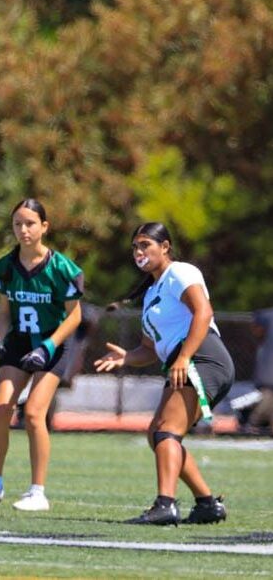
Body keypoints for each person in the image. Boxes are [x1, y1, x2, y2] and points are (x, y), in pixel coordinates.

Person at [95, 222, 234, 526]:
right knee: (157, 435)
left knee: (166, 431)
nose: (139, 251)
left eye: (145, 244)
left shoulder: (180, 272)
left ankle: (165, 505)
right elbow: (149, 349)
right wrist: (127, 357)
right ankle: (207, 503)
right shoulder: (150, 294)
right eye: (135, 247)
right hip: (182, 359)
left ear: (166, 247)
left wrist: (184, 357)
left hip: (202, 356)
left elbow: (204, 312)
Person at [0, 198, 83, 511]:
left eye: (30, 223)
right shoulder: (7, 267)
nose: (23, 230)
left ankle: (37, 492)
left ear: (44, 226)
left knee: (34, 412)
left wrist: (47, 347)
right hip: (19, 340)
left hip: (53, 343)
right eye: (18, 224)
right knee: (1, 408)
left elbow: (75, 316)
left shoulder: (61, 268)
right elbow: (5, 312)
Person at [247, 308, 273, 433]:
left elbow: (257, 330)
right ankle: (252, 426)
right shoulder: (267, 316)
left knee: (265, 402)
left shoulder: (266, 316)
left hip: (268, 376)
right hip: (268, 375)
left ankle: (252, 426)